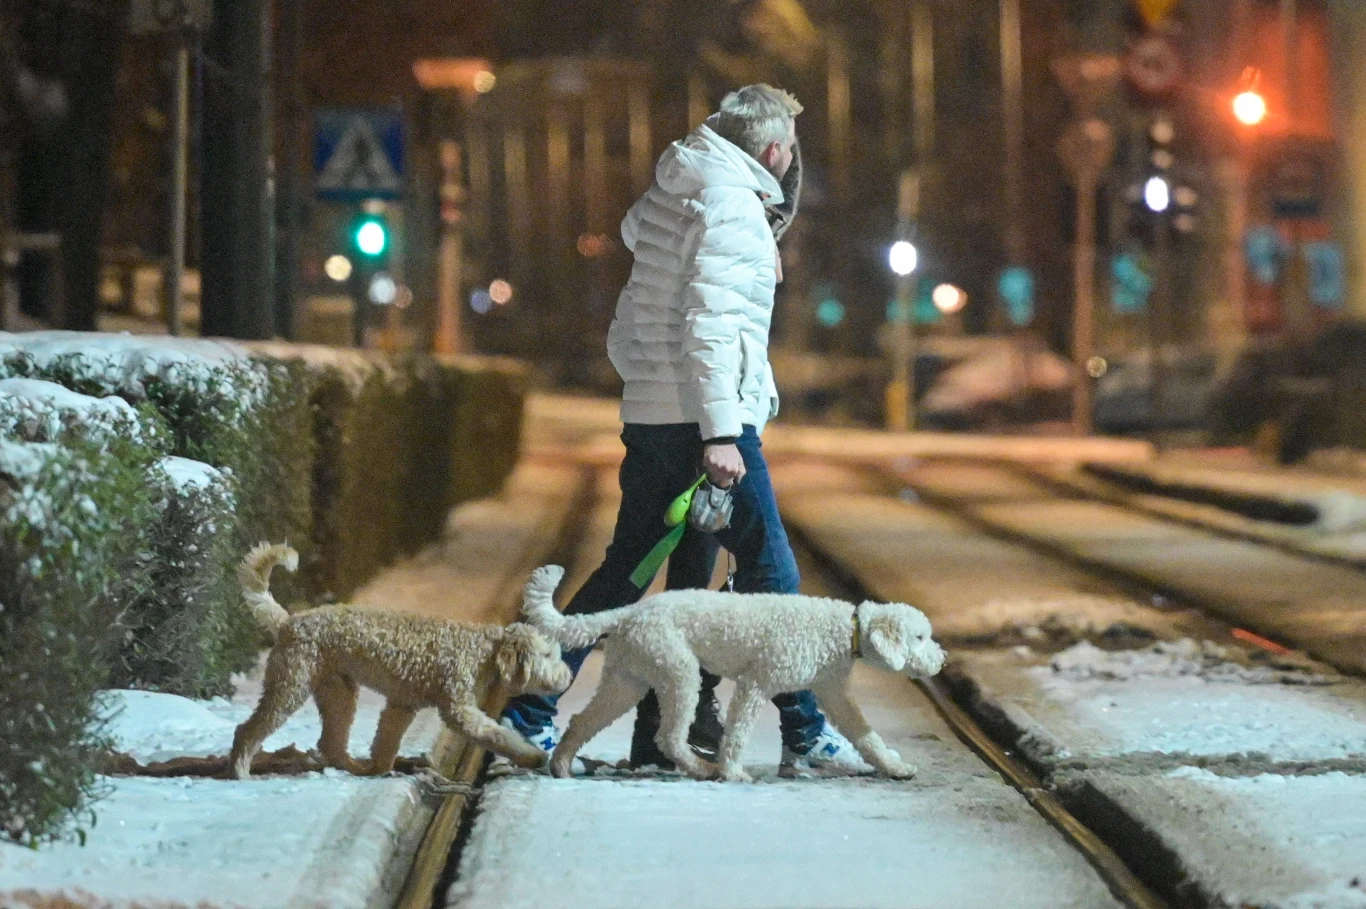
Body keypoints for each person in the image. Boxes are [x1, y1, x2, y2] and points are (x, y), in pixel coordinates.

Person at [501, 84, 856, 771]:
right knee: (769, 570)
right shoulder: (730, 208)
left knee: (639, 574)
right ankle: (807, 729)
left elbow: (642, 293)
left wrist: (649, 386)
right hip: (703, 420)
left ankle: (571, 717)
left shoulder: (684, 189)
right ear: (776, 150)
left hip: (660, 410)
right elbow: (709, 323)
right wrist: (721, 432)